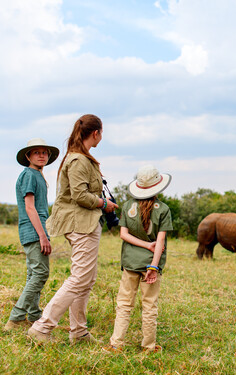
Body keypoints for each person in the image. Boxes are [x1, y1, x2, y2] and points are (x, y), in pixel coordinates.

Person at [27, 114, 118, 344]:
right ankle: (42, 327)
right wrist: (104, 204)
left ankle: (79, 332)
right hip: (81, 224)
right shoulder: (78, 160)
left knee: (86, 279)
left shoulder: (81, 157)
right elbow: (79, 196)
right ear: (96, 133)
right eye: (101, 132)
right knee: (80, 279)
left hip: (84, 223)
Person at [107, 165, 172, 353]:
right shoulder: (164, 209)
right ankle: (148, 346)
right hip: (150, 265)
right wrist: (153, 265)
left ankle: (116, 343)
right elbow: (160, 241)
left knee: (124, 304)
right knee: (150, 305)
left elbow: (123, 235)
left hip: (130, 263)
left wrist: (143, 245)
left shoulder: (127, 206)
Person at [4, 139, 59, 331]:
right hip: (34, 231)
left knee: (33, 273)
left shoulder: (37, 175)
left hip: (36, 230)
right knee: (41, 273)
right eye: (37, 152)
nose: (42, 155)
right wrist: (43, 236)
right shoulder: (29, 175)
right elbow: (30, 207)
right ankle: (16, 317)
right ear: (28, 156)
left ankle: (34, 315)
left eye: (45, 152)